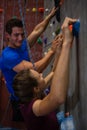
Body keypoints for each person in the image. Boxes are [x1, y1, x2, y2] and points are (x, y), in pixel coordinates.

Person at [13, 17, 77, 129]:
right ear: (35, 89)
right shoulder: (33, 108)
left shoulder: (34, 92)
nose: (42, 75)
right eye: (40, 76)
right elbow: (58, 98)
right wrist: (66, 43)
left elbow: (54, 73)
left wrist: (58, 52)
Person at [0, 7, 59, 121]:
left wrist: (49, 16)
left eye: (22, 34)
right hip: (21, 99)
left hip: (31, 90)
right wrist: (52, 51)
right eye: (16, 35)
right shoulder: (8, 56)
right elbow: (35, 70)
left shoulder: (21, 44)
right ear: (8, 36)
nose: (20, 38)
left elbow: (37, 30)